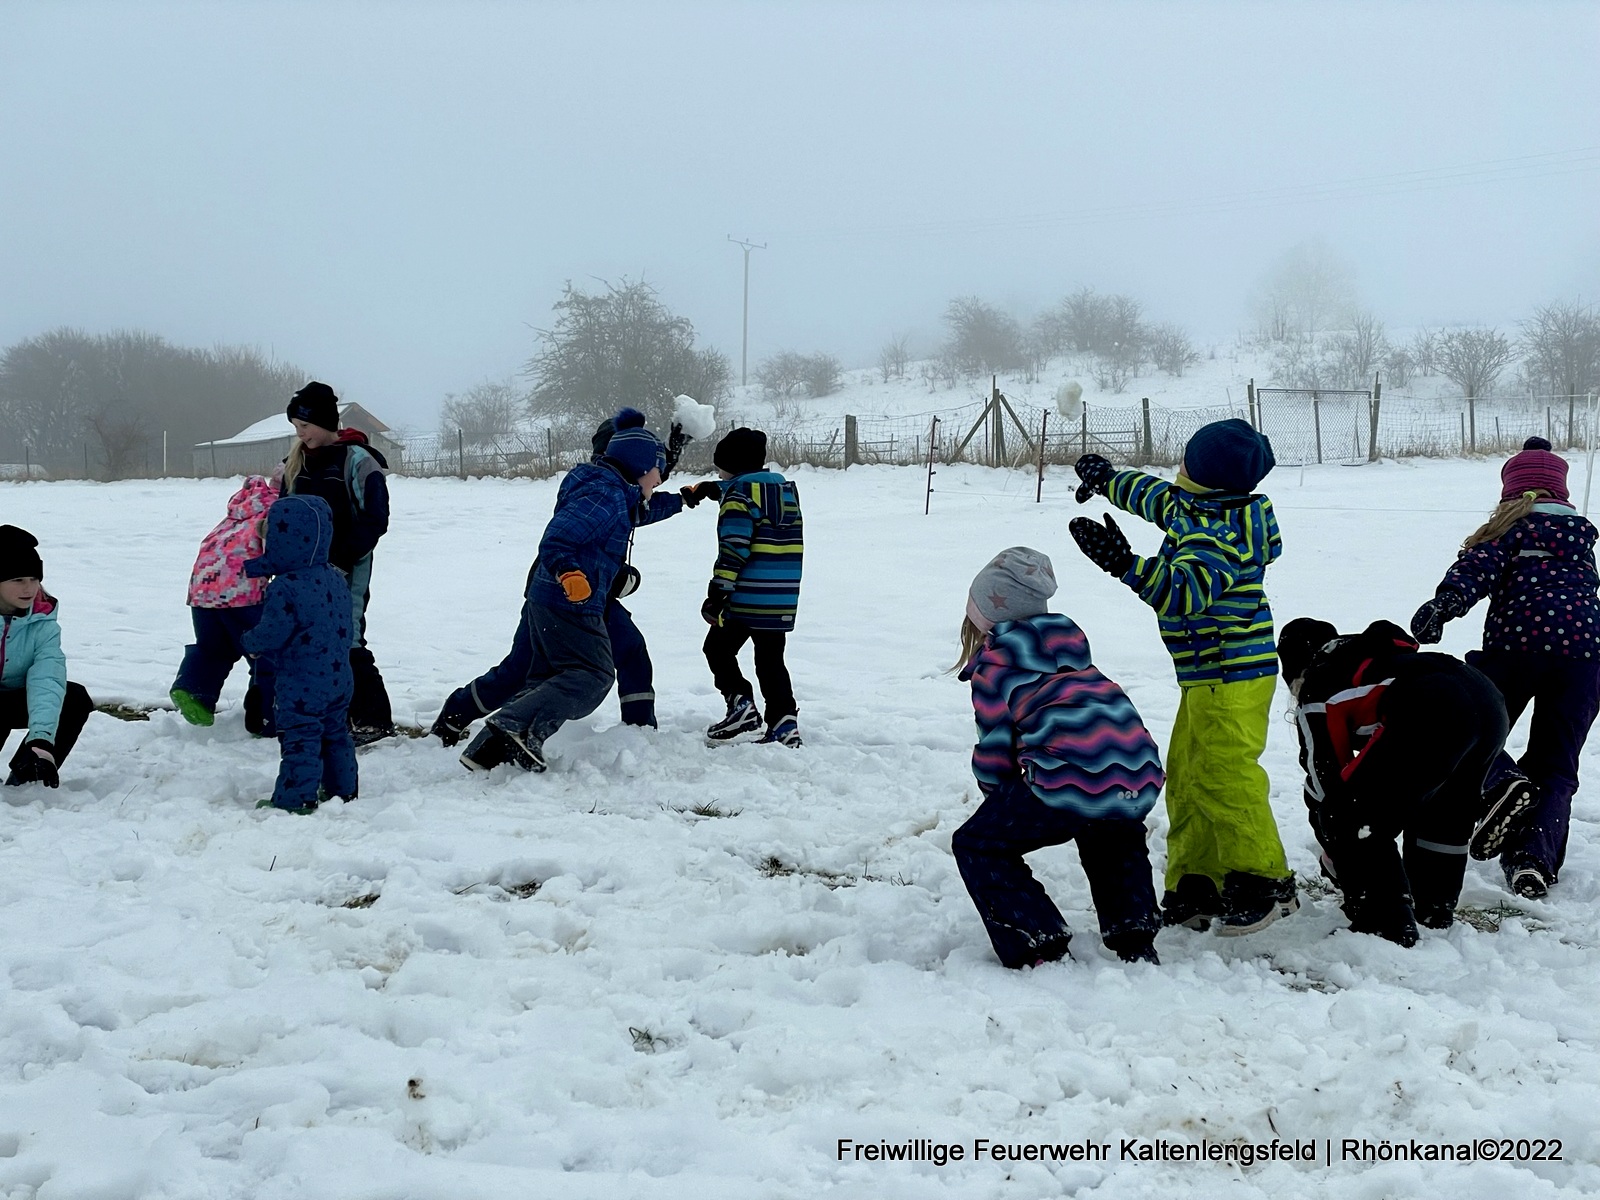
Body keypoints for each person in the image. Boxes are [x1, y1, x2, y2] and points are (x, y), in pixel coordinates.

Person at [1069, 418, 1295, 935]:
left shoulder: (1219, 536)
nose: (1179, 470)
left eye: (1186, 463)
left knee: (1225, 776)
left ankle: (1260, 881)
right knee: (1190, 776)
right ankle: (1198, 880)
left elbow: (1183, 594)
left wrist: (1125, 564)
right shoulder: (1197, 505)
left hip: (1231, 674)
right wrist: (1107, 478)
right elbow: (1155, 497)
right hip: (1206, 676)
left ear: (1204, 476)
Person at [431, 409, 707, 748]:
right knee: (528, 670)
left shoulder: (618, 489)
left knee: (629, 649)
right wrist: (568, 572)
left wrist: (682, 498)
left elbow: (642, 503)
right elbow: (563, 538)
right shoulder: (600, 490)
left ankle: (639, 731)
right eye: (654, 467)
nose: (659, 475)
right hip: (564, 591)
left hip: (589, 593)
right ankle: (464, 717)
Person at [952, 548, 1165, 967]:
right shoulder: (1075, 656)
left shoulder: (995, 666)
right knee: (1109, 828)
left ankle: (1036, 938)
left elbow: (995, 753)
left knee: (978, 844)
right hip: (1136, 773)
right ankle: (1134, 932)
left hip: (1069, 774)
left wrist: (998, 802)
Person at [1409, 436, 1600, 899]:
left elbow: (1476, 569)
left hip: (1516, 648)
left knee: (1471, 727)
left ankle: (1501, 784)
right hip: (1585, 659)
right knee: (1557, 764)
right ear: (1563, 492)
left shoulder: (1511, 528)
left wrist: (1444, 605)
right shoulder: (1582, 535)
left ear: (1510, 491)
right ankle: (1532, 861)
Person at [1278, 618, 1510, 945]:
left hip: (1432, 706)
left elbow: (1324, 780)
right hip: (1487, 700)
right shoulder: (1371, 657)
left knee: (1350, 811)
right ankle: (1432, 909)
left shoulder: (1318, 683)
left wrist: (1338, 850)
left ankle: (1383, 922)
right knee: (1445, 807)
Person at [279, 380, 395, 745]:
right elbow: (283, 515)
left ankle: (373, 720)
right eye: (296, 427)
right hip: (303, 573)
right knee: (307, 639)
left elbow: (376, 518)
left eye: (306, 426)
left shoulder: (359, 461)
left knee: (346, 637)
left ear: (327, 424)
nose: (301, 434)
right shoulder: (295, 463)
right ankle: (325, 713)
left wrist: (343, 559)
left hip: (348, 567)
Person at [240, 495, 358, 813]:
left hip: (302, 679)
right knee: (335, 732)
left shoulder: (286, 587)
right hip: (340, 675)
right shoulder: (335, 577)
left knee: (300, 737)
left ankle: (296, 798)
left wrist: (250, 642)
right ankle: (342, 790)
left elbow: (274, 632)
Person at [701, 427, 805, 747]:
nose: (717, 471)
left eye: (720, 466)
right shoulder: (785, 493)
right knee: (771, 660)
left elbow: (734, 549)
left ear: (731, 465)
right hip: (780, 597)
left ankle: (741, 704)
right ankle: (784, 720)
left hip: (745, 598)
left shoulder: (738, 498)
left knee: (717, 650)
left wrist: (717, 593)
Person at [170, 475, 278, 734]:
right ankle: (266, 715)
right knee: (266, 652)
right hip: (243, 594)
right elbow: (275, 551)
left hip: (202, 591)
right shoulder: (277, 508)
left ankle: (193, 689)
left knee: (213, 649)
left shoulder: (236, 514)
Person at [0, 526, 94, 788]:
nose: (28, 588)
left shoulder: (43, 621)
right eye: (17, 580)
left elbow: (46, 678)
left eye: (33, 578)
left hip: (14, 697)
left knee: (73, 698)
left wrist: (41, 741)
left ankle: (28, 775)